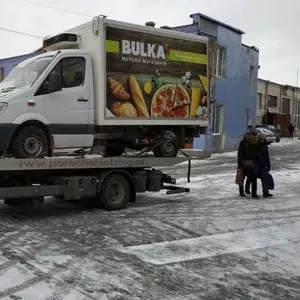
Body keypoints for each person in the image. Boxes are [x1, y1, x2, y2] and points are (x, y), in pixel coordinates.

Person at [245, 133, 273, 197]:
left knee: (264, 179)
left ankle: (265, 192)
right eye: (261, 139)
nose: (262, 141)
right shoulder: (255, 146)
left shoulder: (265, 146)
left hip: (263, 165)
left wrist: (268, 165)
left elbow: (267, 156)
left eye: (263, 139)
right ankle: (253, 192)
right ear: (258, 139)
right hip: (255, 165)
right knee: (252, 179)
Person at [237, 126, 260, 198]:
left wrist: (257, 161)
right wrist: (240, 164)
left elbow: (259, 151)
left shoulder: (256, 142)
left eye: (256, 134)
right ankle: (241, 191)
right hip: (244, 163)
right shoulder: (243, 142)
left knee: (254, 178)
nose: (255, 136)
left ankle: (254, 193)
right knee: (242, 177)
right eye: (253, 134)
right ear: (249, 134)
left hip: (253, 162)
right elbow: (240, 154)